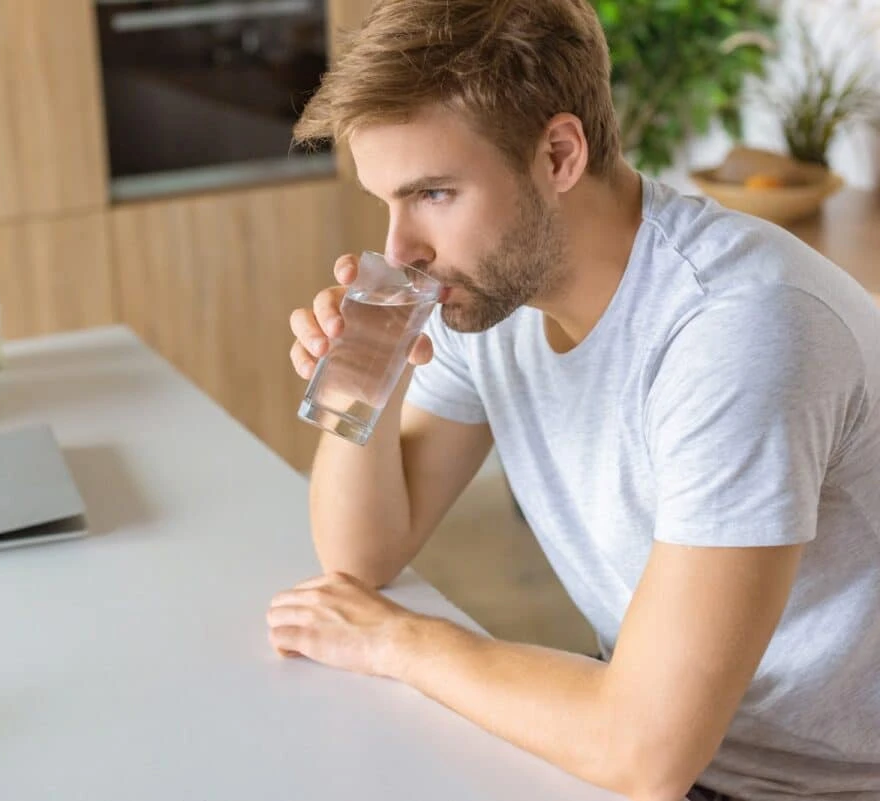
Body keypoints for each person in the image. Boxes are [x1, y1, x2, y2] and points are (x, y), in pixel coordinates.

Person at [265, 2, 880, 800]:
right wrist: (362, 378)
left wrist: (402, 643)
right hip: (679, 742)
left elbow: (646, 753)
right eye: (389, 201)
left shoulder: (737, 333)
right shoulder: (486, 289)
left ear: (558, 153)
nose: (399, 250)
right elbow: (361, 556)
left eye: (434, 194)